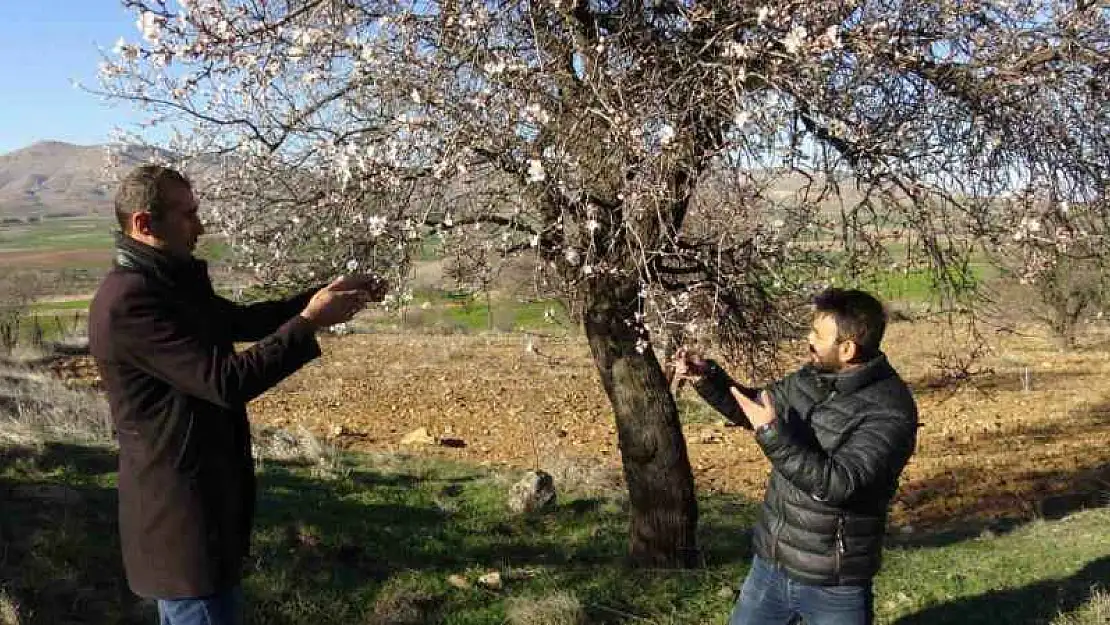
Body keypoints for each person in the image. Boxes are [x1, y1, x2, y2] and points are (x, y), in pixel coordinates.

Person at [88, 165, 386, 625]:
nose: (200, 227)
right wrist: (309, 322)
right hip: (181, 518)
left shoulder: (166, 285)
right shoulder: (131, 303)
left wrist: (323, 297)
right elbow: (225, 382)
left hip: (200, 507)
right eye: (187, 216)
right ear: (144, 225)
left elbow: (243, 322)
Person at [673, 288, 918, 625]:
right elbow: (759, 409)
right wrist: (710, 379)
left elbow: (839, 485)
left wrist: (771, 433)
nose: (809, 339)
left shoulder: (890, 411)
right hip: (771, 567)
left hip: (834, 584)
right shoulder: (812, 377)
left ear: (847, 349)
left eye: (817, 334)